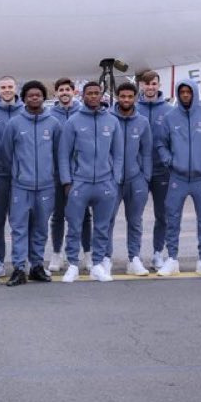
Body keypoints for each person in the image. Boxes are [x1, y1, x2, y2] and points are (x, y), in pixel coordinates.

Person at [155, 79, 201, 278]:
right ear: (178, 93)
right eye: (182, 92)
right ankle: (172, 258)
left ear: (194, 93)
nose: (185, 95)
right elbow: (161, 144)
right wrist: (169, 160)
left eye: (188, 92)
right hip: (178, 177)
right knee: (172, 218)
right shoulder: (170, 117)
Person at [59, 81, 123, 282]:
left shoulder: (112, 122)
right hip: (80, 183)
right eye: (90, 93)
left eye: (97, 93)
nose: (93, 96)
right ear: (83, 96)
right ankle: (72, 265)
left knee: (102, 227)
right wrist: (67, 181)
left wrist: (115, 179)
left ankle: (97, 264)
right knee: (75, 226)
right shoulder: (73, 122)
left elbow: (118, 154)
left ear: (101, 95)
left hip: (105, 183)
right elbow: (64, 155)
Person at [2, 80, 64, 286]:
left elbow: (59, 154)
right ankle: (19, 268)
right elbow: (6, 153)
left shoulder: (53, 124)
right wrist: (18, 173)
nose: (34, 98)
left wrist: (54, 176)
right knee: (19, 228)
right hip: (21, 186)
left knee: (40, 228)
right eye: (30, 95)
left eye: (38, 95)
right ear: (24, 98)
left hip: (46, 186)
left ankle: (36, 266)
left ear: (43, 98)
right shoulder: (14, 124)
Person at [108, 82, 153, 276]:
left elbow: (147, 152)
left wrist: (145, 177)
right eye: (122, 96)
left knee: (135, 221)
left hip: (136, 180)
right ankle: (105, 258)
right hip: (111, 180)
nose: (126, 100)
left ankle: (134, 258)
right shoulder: (107, 118)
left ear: (135, 98)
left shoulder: (142, 122)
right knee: (106, 221)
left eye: (130, 96)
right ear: (117, 97)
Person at [0, 75, 23, 276]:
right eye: (3, 87)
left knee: (20, 223)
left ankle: (21, 261)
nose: (7, 90)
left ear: (15, 88)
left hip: (21, 178)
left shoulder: (25, 112)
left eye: (10, 86)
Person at [137, 70, 172, 270]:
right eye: (146, 84)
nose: (150, 87)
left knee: (162, 215)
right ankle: (135, 254)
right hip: (139, 172)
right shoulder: (133, 108)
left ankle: (158, 253)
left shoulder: (168, 110)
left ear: (159, 85)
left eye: (154, 84)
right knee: (136, 216)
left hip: (162, 171)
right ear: (141, 85)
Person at [46, 77, 80, 273]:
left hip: (80, 174)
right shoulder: (50, 115)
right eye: (61, 90)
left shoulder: (82, 112)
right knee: (57, 216)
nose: (65, 92)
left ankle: (86, 253)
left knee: (82, 217)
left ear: (73, 92)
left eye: (68, 89)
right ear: (56, 93)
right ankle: (57, 253)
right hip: (57, 175)